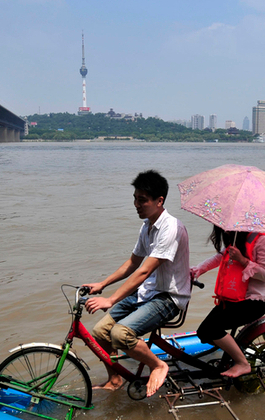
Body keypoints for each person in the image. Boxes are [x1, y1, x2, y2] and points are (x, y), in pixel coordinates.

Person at [84, 170, 190, 398]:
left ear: (159, 201)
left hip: (168, 297)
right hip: (148, 292)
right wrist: (103, 284)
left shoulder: (171, 228)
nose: (136, 204)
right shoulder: (147, 226)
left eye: (142, 200)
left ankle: (158, 365)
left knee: (120, 335)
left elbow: (144, 271)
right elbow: (133, 262)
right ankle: (115, 379)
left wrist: (111, 299)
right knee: (100, 333)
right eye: (135, 198)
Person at [191, 226, 265, 378]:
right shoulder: (237, 238)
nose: (225, 232)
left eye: (227, 228)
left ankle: (242, 363)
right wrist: (198, 269)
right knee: (203, 332)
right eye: (222, 228)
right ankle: (236, 351)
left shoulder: (262, 240)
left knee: (211, 329)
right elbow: (221, 257)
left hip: (254, 302)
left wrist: (243, 260)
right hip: (233, 299)